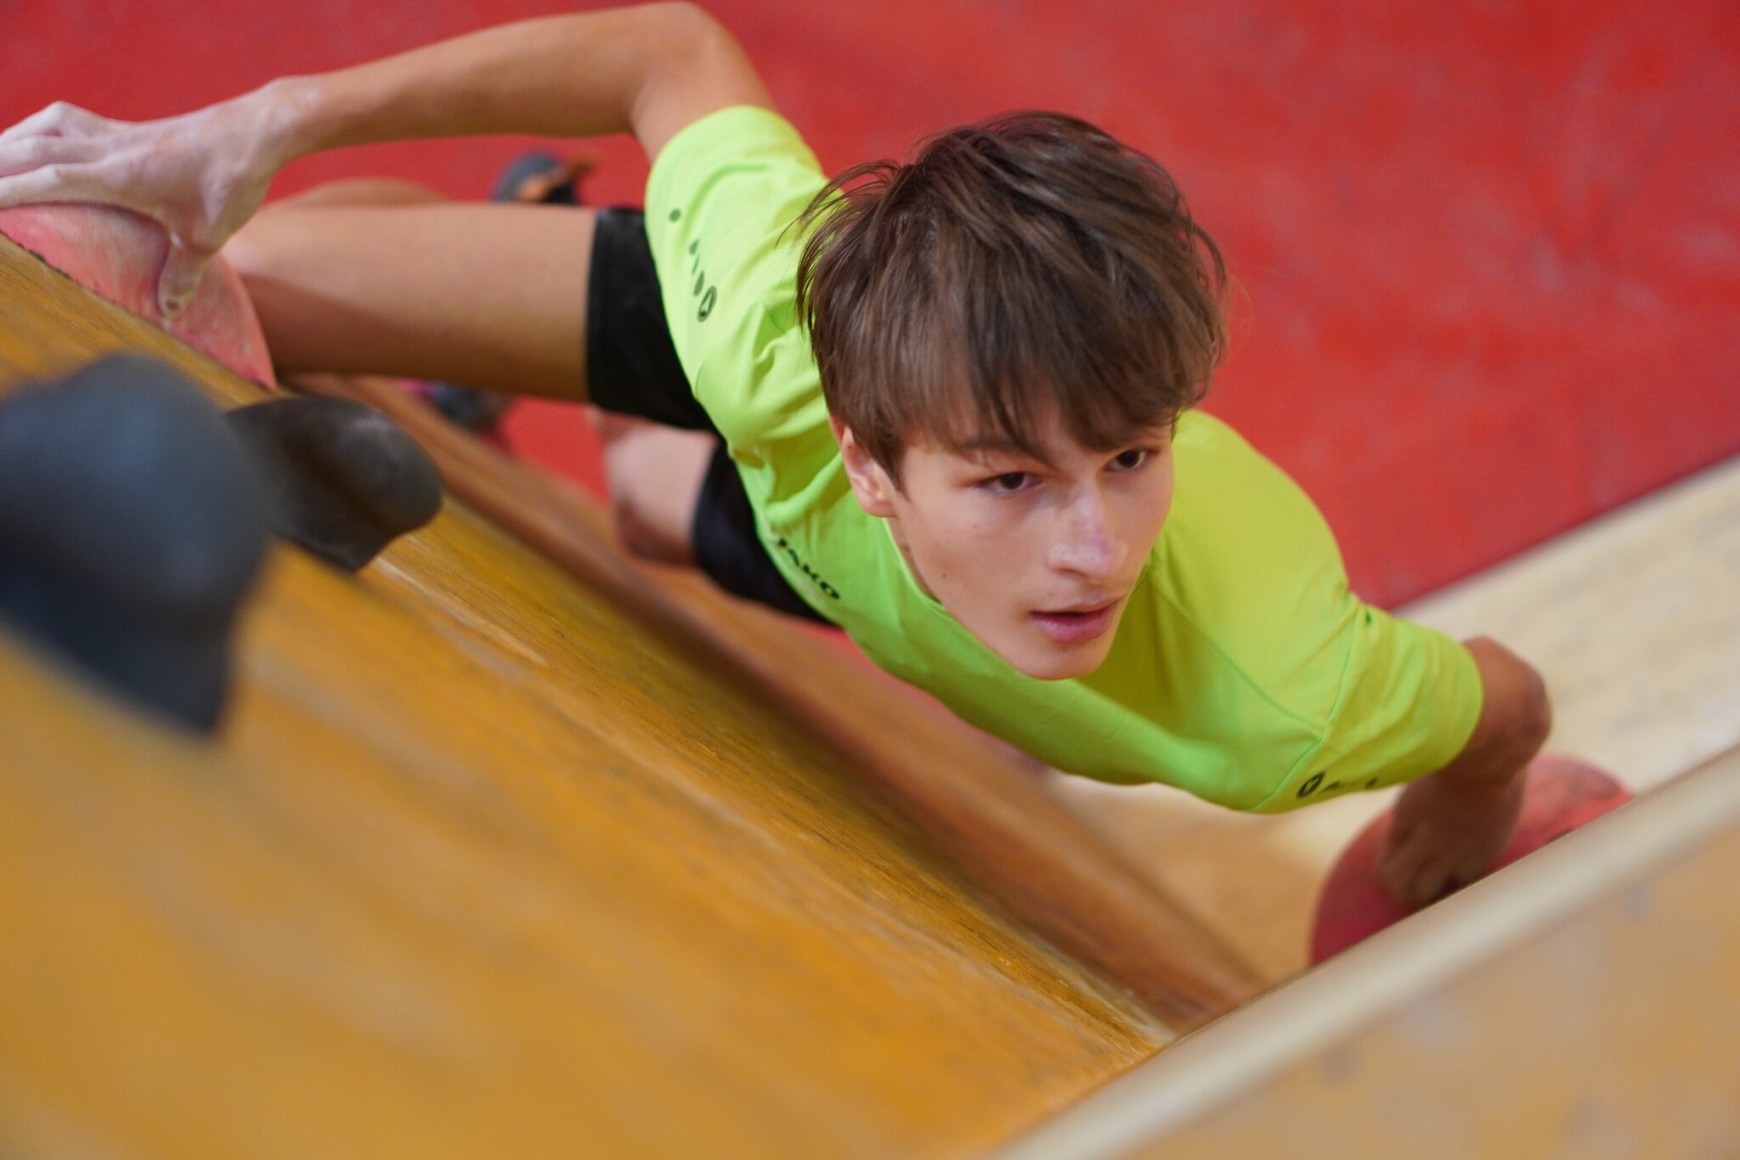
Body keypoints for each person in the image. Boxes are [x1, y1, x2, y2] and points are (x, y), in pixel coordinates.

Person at [0, 2, 1549, 907]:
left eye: (1135, 458)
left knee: (643, 511)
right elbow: (666, 49)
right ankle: (488, 273)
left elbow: (1506, 707)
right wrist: (268, 122)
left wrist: (1474, 800)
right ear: (874, 471)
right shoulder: (770, 334)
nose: (1097, 552)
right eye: (1014, 482)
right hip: (779, 382)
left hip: (835, 501)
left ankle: (527, 258)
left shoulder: (1283, 694)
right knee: (234, 282)